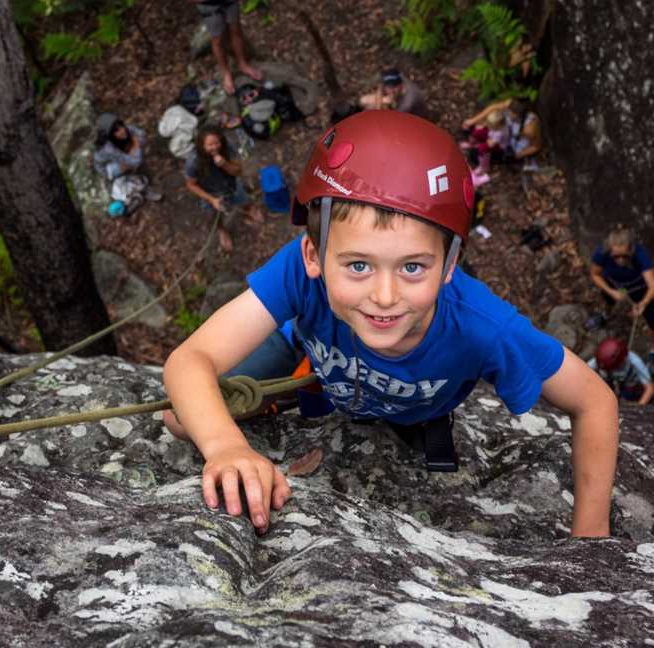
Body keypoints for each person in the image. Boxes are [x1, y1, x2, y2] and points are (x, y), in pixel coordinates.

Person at [163, 111, 618, 538]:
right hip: (310, 359)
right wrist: (226, 446)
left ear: (449, 264)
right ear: (313, 256)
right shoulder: (298, 273)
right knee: (179, 419)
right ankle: (287, 397)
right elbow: (190, 360)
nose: (384, 296)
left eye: (413, 268)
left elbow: (594, 401)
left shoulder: (482, 326)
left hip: (405, 406)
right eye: (358, 265)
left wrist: (591, 542)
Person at [184, 125, 263, 253]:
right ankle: (222, 231)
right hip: (212, 194)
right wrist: (211, 199)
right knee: (215, 215)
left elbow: (238, 171)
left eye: (217, 142)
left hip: (231, 185)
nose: (215, 147)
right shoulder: (193, 161)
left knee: (243, 199)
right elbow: (190, 185)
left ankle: (249, 210)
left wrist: (224, 164)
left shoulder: (226, 147)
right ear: (201, 146)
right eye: (210, 145)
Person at [589, 228, 654, 359]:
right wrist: (612, 292)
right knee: (608, 300)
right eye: (616, 256)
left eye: (624, 256)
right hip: (617, 287)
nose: (621, 260)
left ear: (630, 250)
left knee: (652, 319)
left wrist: (643, 303)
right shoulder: (602, 253)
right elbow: (595, 274)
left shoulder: (640, 255)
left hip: (640, 289)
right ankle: (604, 315)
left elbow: (652, 285)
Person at [192, 0, 263, 96]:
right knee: (217, 39)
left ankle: (243, 64)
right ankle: (226, 73)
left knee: (236, 29)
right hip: (208, 5)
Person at [462, 98, 541, 169]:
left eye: (512, 116)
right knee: (469, 129)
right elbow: (492, 108)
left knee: (474, 155)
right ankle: (476, 144)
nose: (509, 116)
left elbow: (536, 146)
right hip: (499, 132)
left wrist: (517, 156)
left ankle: (484, 162)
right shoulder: (512, 105)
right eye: (508, 113)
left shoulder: (529, 129)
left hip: (509, 146)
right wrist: (472, 121)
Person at [588, 338, 654, 405]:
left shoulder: (634, 362)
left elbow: (649, 388)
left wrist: (639, 407)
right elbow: (582, 375)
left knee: (629, 394)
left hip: (629, 384)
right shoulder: (599, 360)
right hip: (609, 382)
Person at [358, 69, 429, 120]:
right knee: (364, 101)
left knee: (370, 109)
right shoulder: (399, 76)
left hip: (414, 119)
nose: (391, 90)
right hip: (395, 103)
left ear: (401, 85)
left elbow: (394, 119)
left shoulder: (408, 103)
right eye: (388, 87)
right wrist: (379, 106)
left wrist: (378, 111)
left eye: (394, 87)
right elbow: (380, 88)